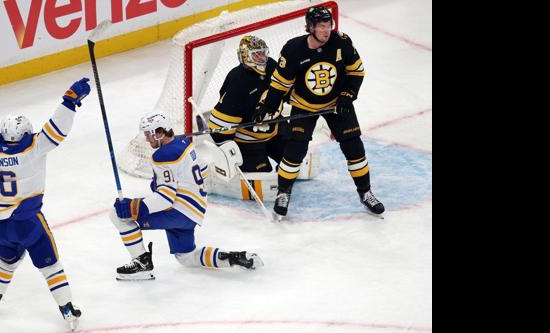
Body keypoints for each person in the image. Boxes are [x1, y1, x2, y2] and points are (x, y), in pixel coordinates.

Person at [0, 74, 89, 330]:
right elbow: (57, 128)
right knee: (51, 267)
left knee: (6, 261)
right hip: (28, 222)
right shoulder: (33, 148)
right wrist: (70, 100)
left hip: (0, 226)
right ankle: (67, 308)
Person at [258, 5, 385, 219]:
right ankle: (283, 193)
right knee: (295, 150)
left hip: (336, 104)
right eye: (321, 26)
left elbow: (357, 72)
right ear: (310, 28)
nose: (327, 31)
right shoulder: (293, 49)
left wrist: (348, 95)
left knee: (354, 148)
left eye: (329, 25)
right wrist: (268, 106)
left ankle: (365, 193)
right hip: (304, 105)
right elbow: (280, 84)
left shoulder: (341, 42)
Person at [111, 111, 264, 280]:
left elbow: (165, 198)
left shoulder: (164, 155)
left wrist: (134, 207)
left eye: (148, 134)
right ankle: (232, 258)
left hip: (178, 212)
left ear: (159, 133)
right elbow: (203, 169)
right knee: (186, 257)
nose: (147, 139)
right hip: (194, 211)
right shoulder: (184, 143)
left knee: (118, 215)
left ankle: (142, 264)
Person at [205, 35, 283, 189]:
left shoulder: (272, 66)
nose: (262, 58)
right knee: (265, 180)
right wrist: (227, 152)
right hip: (247, 141)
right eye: (256, 54)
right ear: (245, 56)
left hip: (275, 131)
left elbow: (286, 90)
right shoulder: (238, 80)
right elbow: (219, 125)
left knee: (294, 159)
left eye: (263, 53)